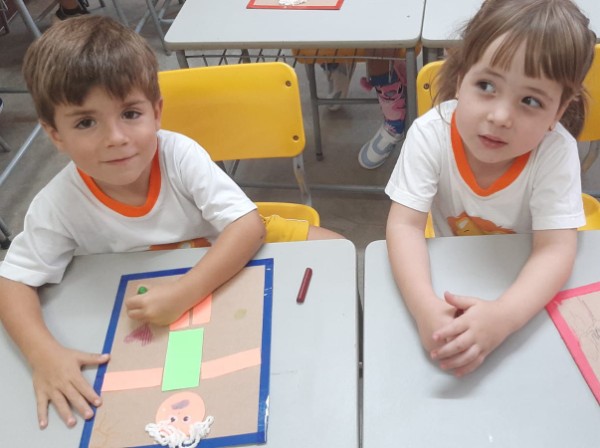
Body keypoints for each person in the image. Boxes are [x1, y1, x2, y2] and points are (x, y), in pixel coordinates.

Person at [0, 15, 342, 430]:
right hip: (151, 299)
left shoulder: (179, 155)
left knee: (337, 253)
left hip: (225, 247)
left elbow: (248, 227)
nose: (116, 137)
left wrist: (185, 292)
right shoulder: (57, 204)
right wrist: (43, 355)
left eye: (130, 113)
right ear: (55, 134)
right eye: (86, 122)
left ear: (156, 112)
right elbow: (12, 282)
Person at [385, 0, 595, 377]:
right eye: (486, 86)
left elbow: (555, 249)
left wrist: (504, 317)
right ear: (461, 76)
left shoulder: (554, 151)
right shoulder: (430, 134)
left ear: (559, 111)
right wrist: (424, 307)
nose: (500, 117)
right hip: (453, 274)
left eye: (530, 101)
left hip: (526, 288)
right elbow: (404, 226)